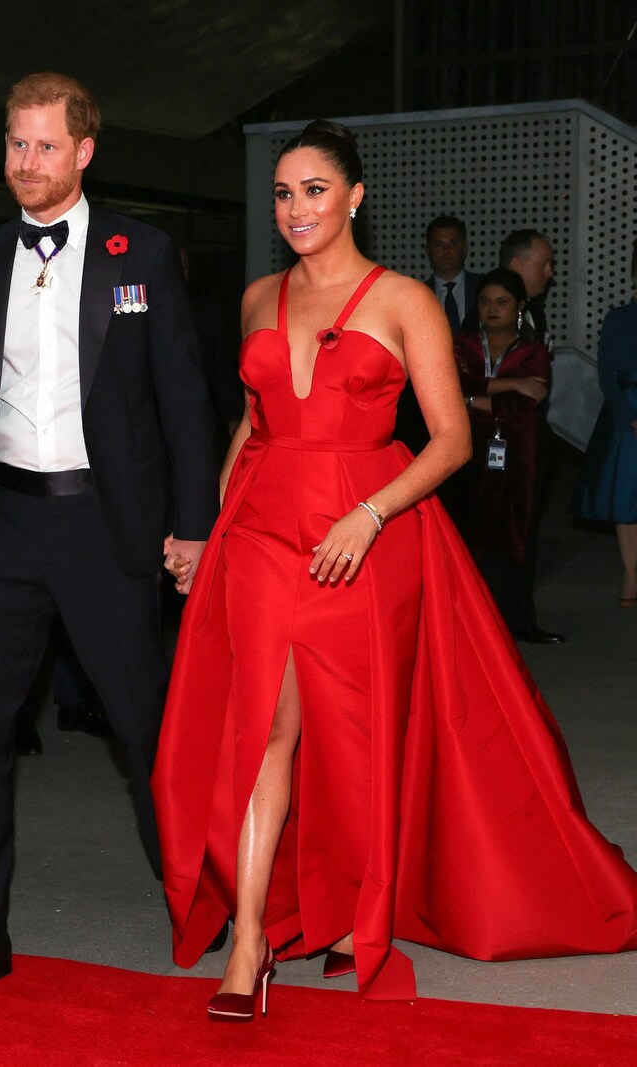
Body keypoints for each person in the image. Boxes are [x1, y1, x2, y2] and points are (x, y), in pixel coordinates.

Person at [151, 121, 637, 1014]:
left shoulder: (403, 298)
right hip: (261, 530)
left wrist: (370, 515)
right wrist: (207, 533)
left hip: (363, 530)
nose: (297, 208)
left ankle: (347, 911)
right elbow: (250, 428)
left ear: (355, 197)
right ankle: (251, 938)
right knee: (267, 724)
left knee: (351, 732)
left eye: (315, 191)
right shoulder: (260, 296)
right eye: (285, 193)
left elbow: (450, 441)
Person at [0, 72, 219, 1009]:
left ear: (84, 151)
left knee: (143, 729)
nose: (25, 162)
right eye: (14, 143)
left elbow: (185, 401)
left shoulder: (144, 254)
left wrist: (193, 525)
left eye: (45, 145)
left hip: (104, 525)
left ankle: (200, 906)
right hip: (0, 521)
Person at [449, 269, 554, 638]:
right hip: (464, 450)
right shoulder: (463, 345)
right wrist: (509, 384)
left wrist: (470, 401)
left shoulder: (533, 351)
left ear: (520, 307)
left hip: (519, 451)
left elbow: (526, 404)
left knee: (515, 533)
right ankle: (468, 624)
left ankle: (519, 622)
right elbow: (453, 385)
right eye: (484, 301)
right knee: (466, 533)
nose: (492, 309)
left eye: (502, 302)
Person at [573, 239, 637, 605]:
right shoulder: (619, 318)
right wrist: (629, 415)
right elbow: (607, 375)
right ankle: (631, 574)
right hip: (627, 414)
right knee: (626, 501)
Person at [397, 214, 482, 454]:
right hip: (427, 407)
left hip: (482, 400)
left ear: (465, 248)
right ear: (427, 250)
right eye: (438, 244)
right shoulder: (413, 296)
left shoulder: (487, 290)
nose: (446, 251)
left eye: (453, 243)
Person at [499, 229, 555, 346]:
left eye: (550, 265)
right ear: (516, 265)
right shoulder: (489, 312)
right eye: (543, 265)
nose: (549, 272)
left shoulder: (536, 313)